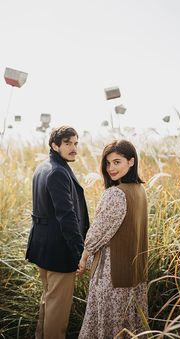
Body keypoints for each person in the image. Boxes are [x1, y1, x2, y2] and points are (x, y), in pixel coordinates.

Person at [77, 139, 148, 339]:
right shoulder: (140, 191)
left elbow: (96, 234)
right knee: (130, 327)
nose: (111, 168)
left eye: (117, 162)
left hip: (112, 275)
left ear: (131, 162)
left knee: (108, 329)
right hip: (135, 274)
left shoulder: (116, 194)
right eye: (108, 163)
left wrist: (83, 258)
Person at [26, 126, 89, 339]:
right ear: (55, 145)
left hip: (43, 248)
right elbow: (67, 217)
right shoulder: (57, 172)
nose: (74, 148)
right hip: (58, 251)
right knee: (58, 310)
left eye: (75, 143)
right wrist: (80, 252)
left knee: (49, 300)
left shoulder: (43, 167)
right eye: (68, 143)